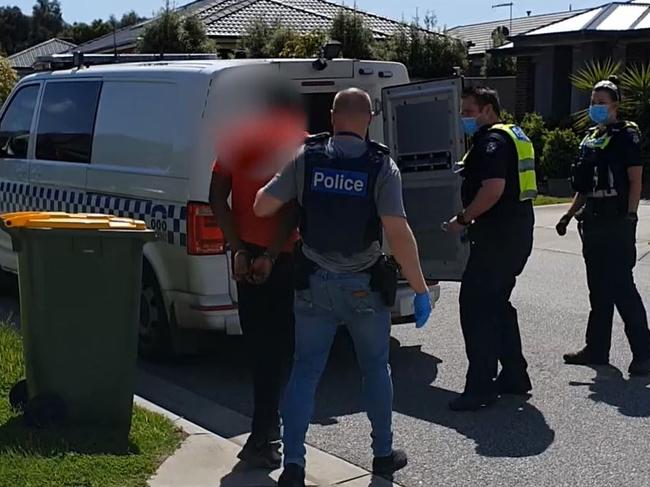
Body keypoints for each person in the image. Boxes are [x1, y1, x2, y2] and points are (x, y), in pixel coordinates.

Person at [254, 88, 433, 486]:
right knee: (375, 369)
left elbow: (261, 206)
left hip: (313, 283)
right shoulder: (381, 166)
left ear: (333, 116)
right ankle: (383, 455)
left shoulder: (306, 158)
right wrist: (419, 289)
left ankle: (294, 466)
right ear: (369, 118)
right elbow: (398, 232)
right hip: (364, 286)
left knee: (304, 371)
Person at [208, 102, 305, 468]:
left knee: (261, 349)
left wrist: (238, 249)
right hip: (283, 256)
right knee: (281, 351)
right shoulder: (299, 143)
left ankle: (263, 435)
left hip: (248, 254)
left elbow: (216, 195)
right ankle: (268, 434)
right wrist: (273, 253)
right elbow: (295, 206)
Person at [445, 86, 537, 412]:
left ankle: (480, 386)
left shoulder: (492, 143)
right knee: (497, 305)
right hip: (514, 236)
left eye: (468, 111)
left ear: (487, 110)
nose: (463, 118)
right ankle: (514, 374)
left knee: (476, 309)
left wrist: (463, 218)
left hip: (497, 239)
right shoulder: (513, 135)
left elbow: (494, 188)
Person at [556, 76, 650, 375]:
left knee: (622, 288)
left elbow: (635, 179)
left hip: (617, 218)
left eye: (601, 103)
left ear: (615, 106)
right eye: (593, 102)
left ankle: (644, 353)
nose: (595, 107)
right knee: (597, 289)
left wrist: (631, 216)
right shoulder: (591, 137)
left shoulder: (626, 135)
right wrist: (569, 214)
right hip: (593, 219)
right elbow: (584, 186)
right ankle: (597, 348)